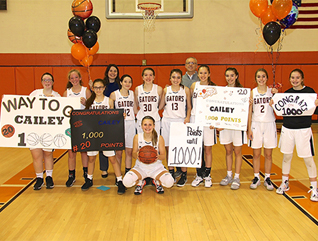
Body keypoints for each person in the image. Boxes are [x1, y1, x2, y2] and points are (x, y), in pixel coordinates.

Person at [275, 69, 318, 202]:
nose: (295, 80)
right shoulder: (287, 93)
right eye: (292, 78)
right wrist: (273, 103)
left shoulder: (310, 92)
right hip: (288, 129)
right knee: (287, 157)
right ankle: (285, 182)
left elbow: (314, 110)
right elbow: (280, 109)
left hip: (303, 130)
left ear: (302, 78)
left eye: (297, 78)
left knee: (308, 159)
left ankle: (314, 188)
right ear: (289, 79)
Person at [82, 78, 125, 194]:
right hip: (93, 134)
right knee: (91, 158)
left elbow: (113, 117)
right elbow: (85, 118)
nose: (98, 89)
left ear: (104, 88)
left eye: (100, 87)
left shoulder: (109, 101)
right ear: (93, 89)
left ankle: (119, 180)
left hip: (106, 134)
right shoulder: (89, 102)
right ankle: (89, 179)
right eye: (96, 87)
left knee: (112, 158)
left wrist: (121, 116)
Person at [123, 116, 174, 195]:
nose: (147, 127)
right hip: (140, 167)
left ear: (154, 126)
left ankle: (157, 181)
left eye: (150, 125)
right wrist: (137, 155)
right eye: (145, 125)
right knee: (126, 182)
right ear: (141, 126)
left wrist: (158, 157)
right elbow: (133, 154)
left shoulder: (159, 138)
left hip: (156, 168)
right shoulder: (137, 137)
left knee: (170, 182)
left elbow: (163, 156)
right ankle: (140, 181)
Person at [159, 69, 191, 186]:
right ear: (170, 78)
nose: (176, 80)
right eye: (173, 77)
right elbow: (161, 106)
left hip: (180, 122)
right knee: (168, 149)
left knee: (181, 149)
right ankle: (171, 172)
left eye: (178, 77)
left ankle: (184, 174)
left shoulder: (185, 90)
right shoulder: (165, 90)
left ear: (181, 79)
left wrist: (187, 117)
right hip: (167, 121)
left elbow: (189, 106)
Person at [29, 72, 61, 190]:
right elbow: (25, 108)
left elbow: (61, 113)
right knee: (36, 154)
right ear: (41, 82)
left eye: (49, 80)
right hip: (36, 129)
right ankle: (39, 178)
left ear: (52, 82)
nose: (47, 82)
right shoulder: (35, 94)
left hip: (49, 130)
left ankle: (49, 177)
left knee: (48, 154)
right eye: (44, 80)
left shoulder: (57, 96)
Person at [247, 68, 277, 191]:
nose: (261, 79)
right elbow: (249, 112)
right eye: (259, 76)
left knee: (268, 154)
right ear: (256, 79)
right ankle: (256, 177)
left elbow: (279, 108)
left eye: (263, 76)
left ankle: (268, 178)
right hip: (256, 124)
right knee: (256, 153)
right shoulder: (252, 92)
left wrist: (277, 97)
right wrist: (249, 128)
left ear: (267, 78)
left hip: (270, 124)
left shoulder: (272, 92)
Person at [219, 67, 247, 190]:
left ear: (236, 76)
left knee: (237, 152)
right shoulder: (221, 91)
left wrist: (249, 102)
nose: (229, 78)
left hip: (237, 127)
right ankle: (229, 175)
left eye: (232, 75)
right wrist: (218, 123)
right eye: (227, 75)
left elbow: (245, 110)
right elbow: (218, 108)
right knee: (228, 151)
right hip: (225, 126)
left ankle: (237, 177)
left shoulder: (243, 92)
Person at [190, 65, 217, 188]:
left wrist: (215, 121)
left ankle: (207, 175)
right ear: (198, 74)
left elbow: (217, 106)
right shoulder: (194, 86)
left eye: (205, 73)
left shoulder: (213, 88)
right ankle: (199, 174)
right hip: (195, 118)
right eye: (201, 73)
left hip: (208, 121)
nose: (203, 75)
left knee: (207, 149)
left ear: (209, 74)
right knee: (197, 148)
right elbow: (189, 102)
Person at [63, 69, 91, 187]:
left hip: (83, 124)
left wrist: (86, 103)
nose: (74, 80)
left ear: (80, 78)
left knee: (84, 151)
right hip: (70, 125)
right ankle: (71, 175)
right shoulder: (66, 93)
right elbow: (62, 109)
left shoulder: (86, 91)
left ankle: (86, 173)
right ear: (69, 80)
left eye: (76, 77)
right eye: (72, 78)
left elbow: (92, 108)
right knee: (71, 152)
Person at [180, 57, 205, 180]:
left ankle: (201, 169)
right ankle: (181, 170)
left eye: (193, 63)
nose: (190, 65)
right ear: (185, 65)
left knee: (200, 143)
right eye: (188, 63)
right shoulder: (180, 79)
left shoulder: (201, 78)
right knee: (184, 143)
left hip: (198, 116)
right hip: (182, 116)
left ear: (196, 65)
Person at [110, 74, 137, 175]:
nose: (127, 84)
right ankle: (118, 175)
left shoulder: (132, 94)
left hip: (130, 124)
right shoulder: (114, 94)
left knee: (129, 151)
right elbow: (110, 111)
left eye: (129, 82)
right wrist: (117, 115)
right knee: (119, 153)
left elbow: (135, 110)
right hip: (119, 125)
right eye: (125, 81)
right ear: (121, 82)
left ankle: (128, 173)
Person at [99, 64, 121, 179]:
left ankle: (117, 168)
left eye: (115, 71)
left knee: (114, 145)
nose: (113, 73)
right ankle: (104, 169)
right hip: (103, 118)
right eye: (111, 71)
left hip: (114, 118)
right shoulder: (102, 85)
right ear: (107, 72)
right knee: (101, 143)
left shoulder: (119, 85)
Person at [135, 67, 162, 135]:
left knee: (155, 142)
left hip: (155, 119)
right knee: (141, 142)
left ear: (154, 77)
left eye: (150, 75)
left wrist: (155, 110)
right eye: (146, 75)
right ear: (143, 77)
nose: (148, 77)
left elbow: (161, 105)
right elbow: (135, 105)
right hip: (141, 119)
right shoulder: (138, 89)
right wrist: (140, 113)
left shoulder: (158, 89)